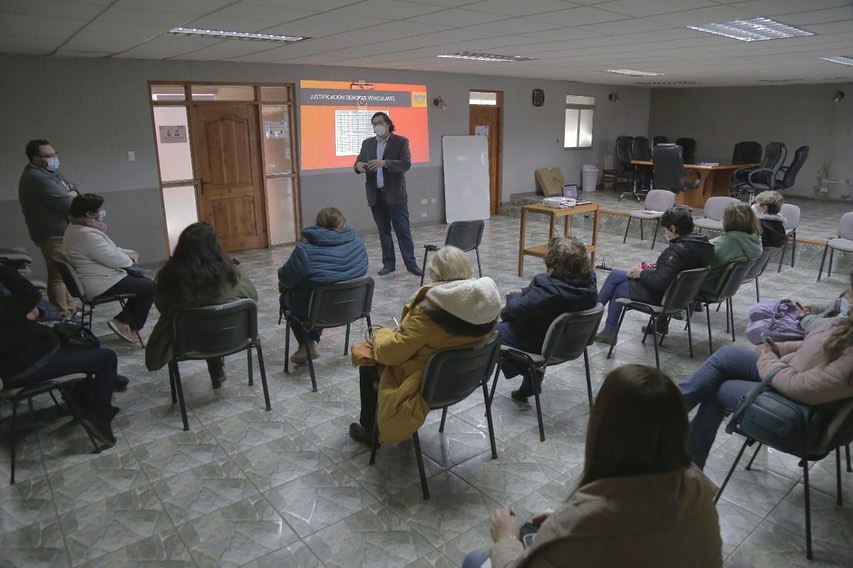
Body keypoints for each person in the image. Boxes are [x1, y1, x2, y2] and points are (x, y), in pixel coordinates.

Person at [462, 365, 723, 568]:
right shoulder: (698, 487)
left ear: (604, 429)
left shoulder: (585, 520)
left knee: (475, 558)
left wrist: (506, 538)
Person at [349, 246, 501, 446]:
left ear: (435, 274)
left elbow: (390, 354)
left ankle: (371, 431)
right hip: (464, 378)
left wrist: (381, 334)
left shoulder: (429, 312)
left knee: (368, 363)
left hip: (429, 383)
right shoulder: (485, 303)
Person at [677, 318, 853, 469]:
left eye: (850, 295)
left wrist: (769, 357)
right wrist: (779, 349)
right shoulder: (847, 323)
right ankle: (666, 412)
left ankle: (689, 465)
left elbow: (802, 387)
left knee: (718, 387)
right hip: (788, 374)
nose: (845, 298)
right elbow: (814, 344)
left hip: (798, 408)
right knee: (727, 354)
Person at [0, 266, 119, 447]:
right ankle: (101, 416)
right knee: (107, 357)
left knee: (85, 342)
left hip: (23, 358)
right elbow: (30, 295)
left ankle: (83, 395)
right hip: (28, 365)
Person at [145, 222, 258, 389]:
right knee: (211, 320)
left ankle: (215, 371)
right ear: (215, 245)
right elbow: (253, 296)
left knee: (202, 324)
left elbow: (162, 306)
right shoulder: (231, 272)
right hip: (234, 336)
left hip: (188, 341)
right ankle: (217, 370)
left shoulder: (169, 277)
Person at [496, 236, 598, 402]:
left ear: (554, 263)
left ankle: (531, 370)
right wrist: (524, 291)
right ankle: (532, 374)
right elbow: (538, 297)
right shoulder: (589, 281)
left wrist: (513, 295)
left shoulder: (548, 289)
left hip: (543, 345)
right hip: (572, 344)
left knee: (492, 333)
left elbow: (516, 309)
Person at [594, 205, 714, 343]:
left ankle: (603, 326)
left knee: (618, 288)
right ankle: (596, 316)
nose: (665, 232)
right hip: (681, 296)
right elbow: (684, 266)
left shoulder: (676, 251)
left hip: (664, 296)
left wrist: (642, 273)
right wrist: (661, 265)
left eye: (665, 229)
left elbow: (659, 282)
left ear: (673, 228)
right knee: (616, 275)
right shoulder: (702, 245)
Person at [278, 207, 369, 365]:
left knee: (288, 297)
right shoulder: (358, 244)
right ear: (343, 224)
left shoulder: (304, 251)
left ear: (318, 225)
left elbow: (285, 278)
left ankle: (307, 344)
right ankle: (312, 341)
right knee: (321, 293)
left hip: (318, 311)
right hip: (353, 308)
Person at [63, 193, 155, 343]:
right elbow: (114, 259)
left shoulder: (77, 228)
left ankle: (126, 322)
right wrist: (130, 259)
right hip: (100, 282)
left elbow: (110, 249)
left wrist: (128, 252)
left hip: (99, 277)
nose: (103, 212)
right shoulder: (85, 234)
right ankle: (124, 323)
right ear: (88, 213)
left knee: (142, 283)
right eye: (100, 209)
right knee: (148, 286)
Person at [353, 111, 422, 277]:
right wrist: (358, 166)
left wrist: (384, 163)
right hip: (375, 195)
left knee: (403, 231)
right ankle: (388, 264)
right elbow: (357, 162)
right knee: (383, 232)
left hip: (395, 195)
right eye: (374, 124)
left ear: (388, 124)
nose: (377, 126)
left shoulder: (401, 141)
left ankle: (411, 264)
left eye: (380, 123)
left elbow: (406, 164)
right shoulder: (367, 143)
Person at [18, 139, 80, 317]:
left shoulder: (51, 173)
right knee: (58, 275)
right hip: (51, 233)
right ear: (36, 159)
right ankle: (62, 312)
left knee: (65, 272)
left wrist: (72, 192)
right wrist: (72, 194)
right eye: (49, 156)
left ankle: (71, 308)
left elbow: (76, 187)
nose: (55, 158)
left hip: (60, 230)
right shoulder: (35, 177)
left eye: (55, 154)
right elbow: (66, 202)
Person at [698, 202, 762, 295]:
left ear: (728, 220)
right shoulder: (755, 243)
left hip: (706, 287)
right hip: (727, 288)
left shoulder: (719, 245)